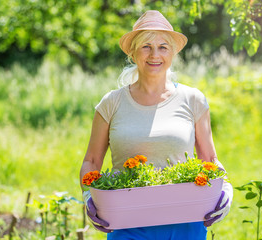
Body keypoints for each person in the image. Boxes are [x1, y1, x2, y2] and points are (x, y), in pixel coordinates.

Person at [79, 10, 233, 240]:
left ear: (172, 53)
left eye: (163, 47)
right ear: (132, 53)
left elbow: (209, 159)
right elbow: (91, 161)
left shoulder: (193, 100)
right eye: (146, 47)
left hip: (185, 221)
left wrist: (225, 189)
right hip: (127, 224)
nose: (154, 55)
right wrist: (88, 197)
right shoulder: (111, 103)